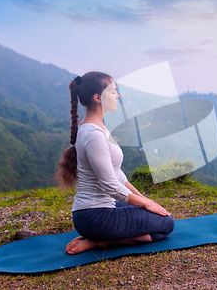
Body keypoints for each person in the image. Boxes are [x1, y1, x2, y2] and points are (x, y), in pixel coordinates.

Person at [55, 71, 174, 255]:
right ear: (98, 98)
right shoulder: (94, 135)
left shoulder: (98, 128)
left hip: (100, 209)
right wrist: (144, 204)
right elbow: (111, 186)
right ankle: (97, 242)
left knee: (156, 212)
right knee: (166, 224)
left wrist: (144, 199)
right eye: (113, 91)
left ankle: (97, 238)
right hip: (94, 217)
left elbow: (117, 175)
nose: (117, 96)